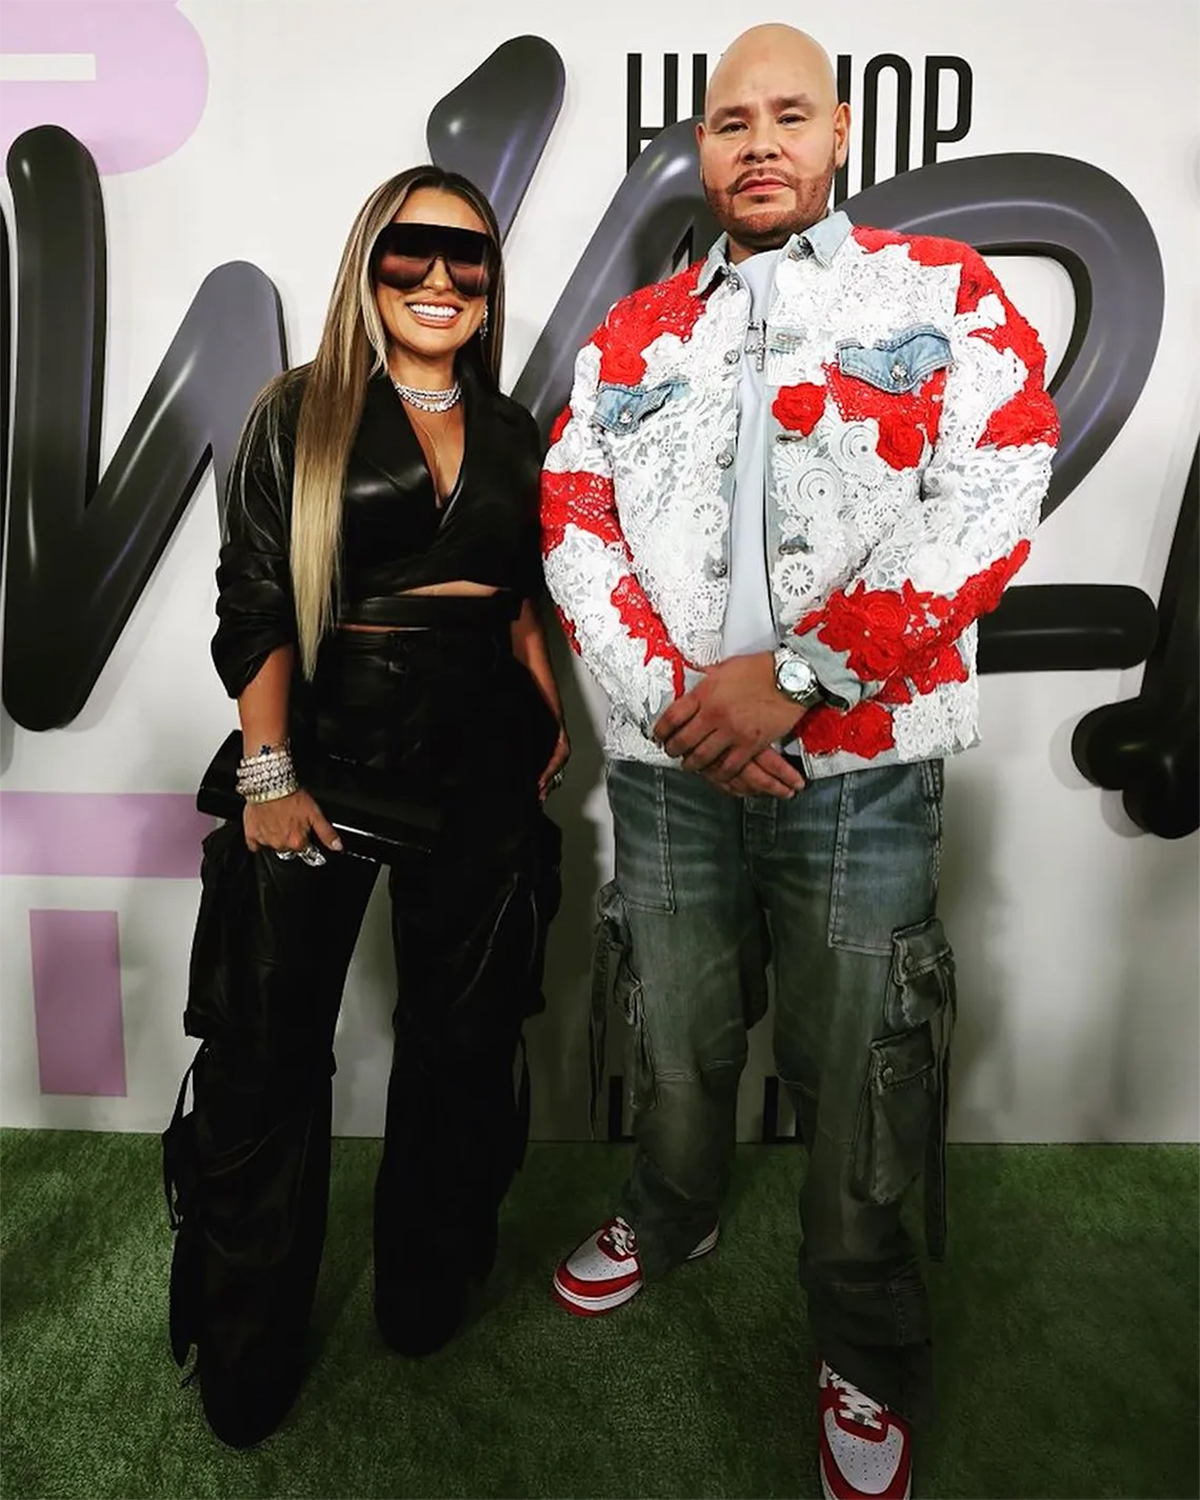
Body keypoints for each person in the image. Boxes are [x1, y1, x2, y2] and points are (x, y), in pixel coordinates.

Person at [542, 23, 1057, 1500]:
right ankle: (672, 1205)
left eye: (787, 115)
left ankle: (865, 1336)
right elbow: (574, 517)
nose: (758, 142)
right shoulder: (631, 336)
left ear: (839, 134)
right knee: (677, 1029)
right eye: (730, 121)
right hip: (670, 769)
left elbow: (998, 480)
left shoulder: (939, 292)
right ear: (699, 150)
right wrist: (682, 704)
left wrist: (800, 679)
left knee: (859, 1066)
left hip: (863, 769)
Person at [162, 165, 569, 1449]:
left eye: (469, 256)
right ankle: (247, 1347)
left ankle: (423, 1292)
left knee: (464, 1046)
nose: (441, 278)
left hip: (483, 759)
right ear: (368, 264)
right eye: (412, 251)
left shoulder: (513, 429)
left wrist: (548, 707)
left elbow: (518, 596)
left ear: (491, 281)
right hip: (327, 756)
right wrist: (269, 773)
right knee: (264, 1055)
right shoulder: (303, 412)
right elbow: (255, 600)